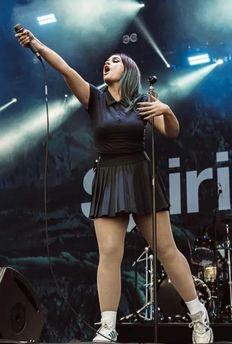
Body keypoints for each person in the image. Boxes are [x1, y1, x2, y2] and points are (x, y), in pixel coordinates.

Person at [16, 28, 213, 344]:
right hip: (108, 174)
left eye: (115, 60)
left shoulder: (142, 102)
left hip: (138, 171)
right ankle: (108, 326)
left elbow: (171, 131)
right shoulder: (94, 98)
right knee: (108, 252)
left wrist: (166, 109)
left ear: (128, 71)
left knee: (165, 249)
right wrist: (37, 44)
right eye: (106, 61)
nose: (107, 63)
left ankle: (199, 316)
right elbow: (65, 68)